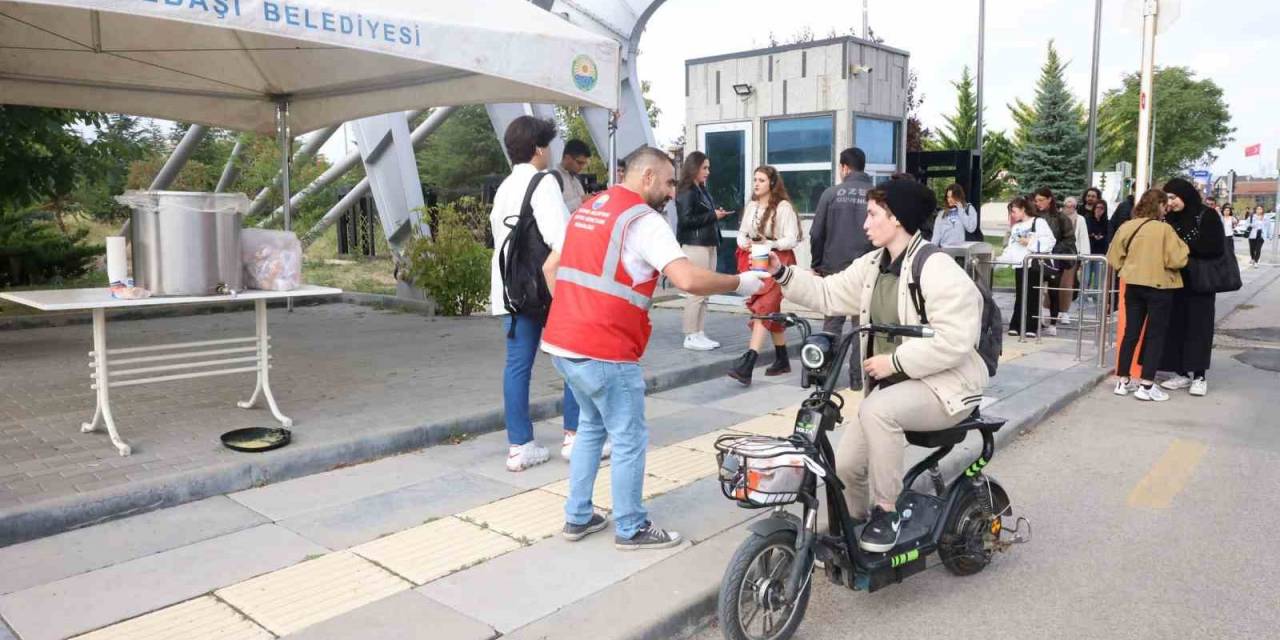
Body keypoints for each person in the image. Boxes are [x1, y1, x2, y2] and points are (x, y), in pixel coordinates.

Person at [541, 146, 771, 550]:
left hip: (562, 344)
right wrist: (740, 283)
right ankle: (631, 528)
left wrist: (571, 313)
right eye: (667, 182)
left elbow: (550, 268)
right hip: (606, 348)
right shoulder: (643, 221)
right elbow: (686, 279)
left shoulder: (588, 208)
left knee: (592, 428)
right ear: (646, 176)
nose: (671, 192)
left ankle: (578, 517)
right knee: (629, 438)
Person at [769, 179, 988, 553]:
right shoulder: (873, 265)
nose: (865, 223)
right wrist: (781, 273)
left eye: (872, 215)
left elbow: (956, 339)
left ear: (897, 219)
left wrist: (895, 361)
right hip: (895, 388)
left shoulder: (936, 268)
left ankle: (887, 512)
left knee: (878, 409)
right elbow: (828, 293)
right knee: (847, 467)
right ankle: (853, 529)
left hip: (947, 387)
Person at [488, 116, 582, 471]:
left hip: (510, 290)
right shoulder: (543, 183)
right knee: (572, 358)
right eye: (549, 144)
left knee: (517, 366)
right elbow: (561, 239)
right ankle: (575, 436)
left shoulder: (504, 188)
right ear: (539, 148)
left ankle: (520, 445)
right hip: (545, 290)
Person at [1108, 188, 1189, 402]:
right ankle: (1147, 384)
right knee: (1155, 335)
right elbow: (1177, 260)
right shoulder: (1165, 230)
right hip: (1159, 286)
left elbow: (1113, 255)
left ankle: (1122, 381)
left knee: (1131, 333)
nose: (1166, 209)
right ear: (1160, 205)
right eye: (1165, 205)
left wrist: (1126, 269)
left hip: (1133, 284)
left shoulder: (1128, 226)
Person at [728, 166, 802, 384]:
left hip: (778, 262)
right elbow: (741, 233)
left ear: (771, 183)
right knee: (770, 309)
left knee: (764, 308)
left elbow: (792, 238)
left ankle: (748, 363)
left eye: (761, 180)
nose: (756, 183)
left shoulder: (783, 207)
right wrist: (745, 242)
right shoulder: (751, 206)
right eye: (755, 179)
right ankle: (782, 359)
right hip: (756, 259)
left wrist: (771, 243)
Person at [810, 147, 875, 386]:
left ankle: (825, 376)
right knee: (862, 327)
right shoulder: (876, 194)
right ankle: (859, 379)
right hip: (868, 270)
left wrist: (817, 264)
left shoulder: (830, 194)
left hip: (834, 268)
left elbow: (816, 233)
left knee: (832, 325)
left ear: (844, 167)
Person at [1158, 178, 1224, 397]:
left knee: (1199, 328)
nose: (1171, 203)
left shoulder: (1207, 215)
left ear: (1185, 195)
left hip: (1200, 283)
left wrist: (1182, 248)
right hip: (1175, 281)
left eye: (1174, 198)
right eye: (1168, 199)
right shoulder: (1169, 218)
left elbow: (1214, 247)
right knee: (1176, 326)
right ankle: (1180, 372)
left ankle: (1199, 375)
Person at [675, 151, 732, 350]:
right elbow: (685, 221)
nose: (708, 171)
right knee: (697, 292)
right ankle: (690, 335)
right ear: (694, 168)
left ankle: (699, 332)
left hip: (708, 243)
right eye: (704, 168)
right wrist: (712, 216)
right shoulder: (687, 191)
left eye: (708, 167)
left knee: (705, 291)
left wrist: (715, 214)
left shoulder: (701, 189)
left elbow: (703, 215)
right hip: (695, 245)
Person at [1001, 197, 1056, 337]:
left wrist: (1029, 243)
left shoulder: (1039, 222)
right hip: (1020, 264)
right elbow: (1011, 247)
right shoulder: (1016, 227)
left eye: (1014, 211)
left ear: (1023, 209)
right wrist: (1000, 261)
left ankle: (1031, 326)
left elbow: (1049, 241)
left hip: (1034, 263)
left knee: (1033, 294)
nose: (1012, 215)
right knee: (1020, 294)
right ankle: (1017, 324)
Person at [1033, 188, 1074, 335]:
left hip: (1054, 259)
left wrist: (1053, 249)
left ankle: (1053, 323)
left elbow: (1069, 239)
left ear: (1050, 199)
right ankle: (1035, 320)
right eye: (1036, 201)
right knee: (1034, 289)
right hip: (1036, 257)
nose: (1038, 203)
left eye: (1041, 200)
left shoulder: (1061, 218)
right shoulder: (1034, 216)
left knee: (1053, 291)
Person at [930, 183, 979, 247]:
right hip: (945, 250)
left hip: (962, 251)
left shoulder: (968, 209)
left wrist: (961, 211)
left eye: (952, 197)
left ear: (959, 196)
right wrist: (931, 250)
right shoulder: (942, 214)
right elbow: (936, 236)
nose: (950, 200)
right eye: (948, 197)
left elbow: (971, 228)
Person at [552, 139, 592, 212]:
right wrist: (581, 200)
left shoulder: (576, 180)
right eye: (579, 163)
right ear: (567, 158)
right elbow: (554, 212)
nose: (582, 167)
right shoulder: (552, 178)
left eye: (584, 164)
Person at [1083, 199, 1111, 305]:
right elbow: (1086, 232)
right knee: (1086, 277)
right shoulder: (1088, 219)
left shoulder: (1106, 221)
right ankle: (1083, 298)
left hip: (1100, 252)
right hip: (1089, 250)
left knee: (1098, 278)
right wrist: (1093, 235)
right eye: (1097, 207)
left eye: (1102, 208)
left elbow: (1107, 234)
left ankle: (1096, 298)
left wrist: (1101, 237)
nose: (1099, 210)